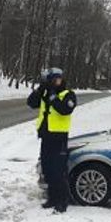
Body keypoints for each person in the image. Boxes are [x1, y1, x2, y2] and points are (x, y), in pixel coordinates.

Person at [27, 67, 77, 213]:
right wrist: (40, 89)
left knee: (59, 172)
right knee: (48, 170)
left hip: (59, 138)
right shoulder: (46, 93)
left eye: (59, 79)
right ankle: (52, 198)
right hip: (46, 137)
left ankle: (62, 200)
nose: (57, 82)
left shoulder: (68, 94)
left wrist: (53, 97)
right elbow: (31, 103)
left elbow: (65, 110)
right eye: (54, 80)